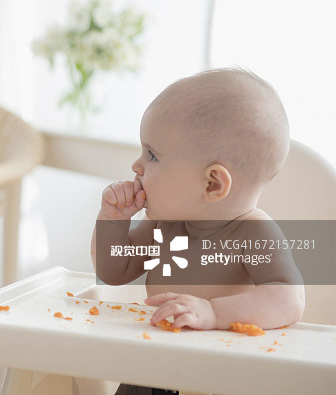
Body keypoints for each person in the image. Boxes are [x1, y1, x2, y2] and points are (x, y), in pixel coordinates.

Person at [92, 68, 305, 393]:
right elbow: (114, 270)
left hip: (218, 377)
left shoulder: (253, 233)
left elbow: (287, 298)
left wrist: (213, 311)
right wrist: (113, 221)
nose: (137, 166)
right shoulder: (165, 225)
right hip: (151, 368)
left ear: (212, 183)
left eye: (152, 155)